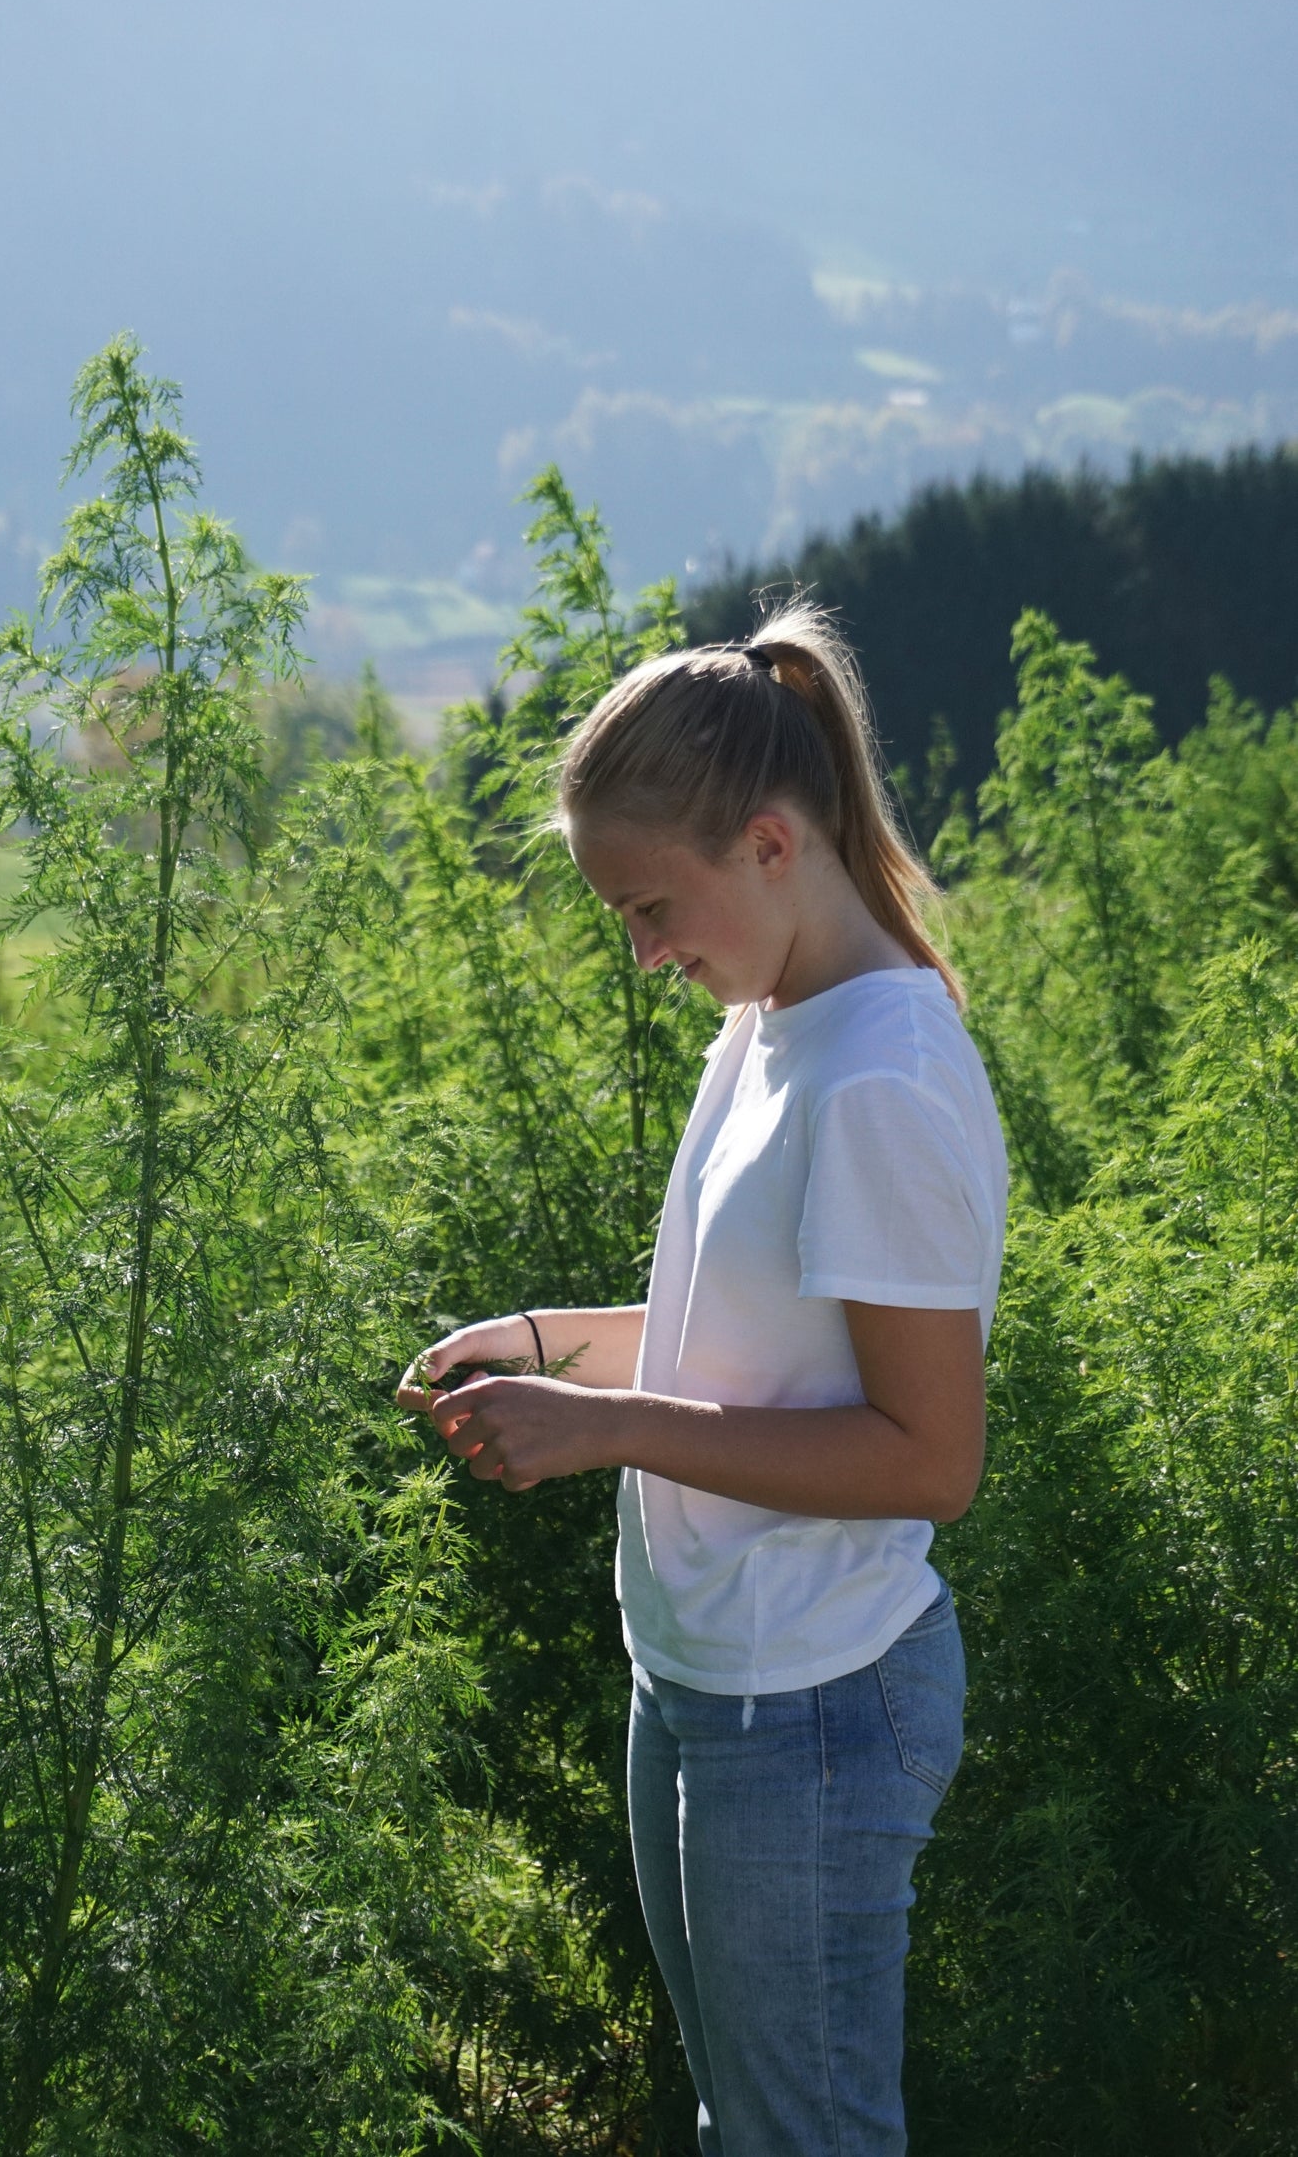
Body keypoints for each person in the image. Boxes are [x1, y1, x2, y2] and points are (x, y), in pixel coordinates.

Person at [399, 602, 1009, 2157]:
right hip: (706, 1680)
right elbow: (723, 1333)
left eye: (652, 904)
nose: (644, 949)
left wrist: (598, 1427)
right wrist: (545, 1342)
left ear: (766, 844)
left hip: (809, 1708)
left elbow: (928, 1456)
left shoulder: (878, 1078)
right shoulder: (771, 1017)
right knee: (749, 2124)